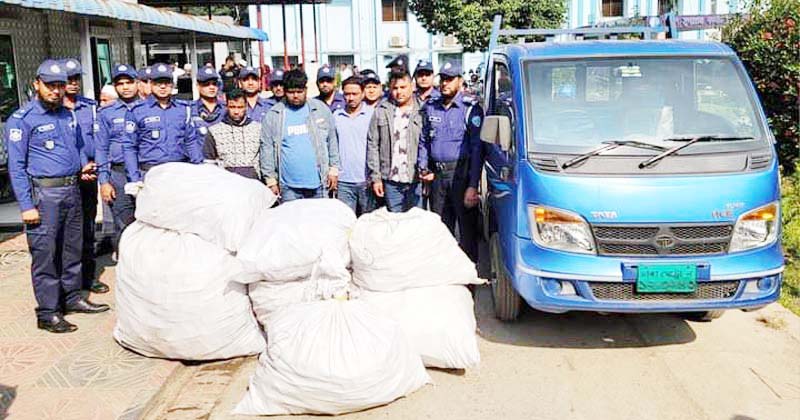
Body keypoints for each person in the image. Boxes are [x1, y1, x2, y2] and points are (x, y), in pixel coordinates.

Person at [4, 60, 109, 333]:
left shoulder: (66, 114)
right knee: (46, 255)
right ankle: (48, 311)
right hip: (45, 194)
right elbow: (16, 167)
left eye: (60, 85)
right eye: (50, 85)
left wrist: (82, 164)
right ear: (36, 84)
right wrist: (26, 205)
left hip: (72, 190)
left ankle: (73, 298)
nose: (55, 90)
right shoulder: (22, 119)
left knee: (72, 248)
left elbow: (74, 148)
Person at [418, 61, 483, 263]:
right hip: (437, 176)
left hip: (461, 174)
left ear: (459, 81)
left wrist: (473, 186)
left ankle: (469, 272)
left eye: (450, 79)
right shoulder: (431, 107)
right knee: (440, 226)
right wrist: (423, 167)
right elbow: (424, 140)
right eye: (443, 79)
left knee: (466, 229)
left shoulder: (469, 108)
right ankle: (444, 269)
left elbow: (477, 149)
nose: (445, 83)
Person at [61, 58, 108, 295]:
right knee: (68, 233)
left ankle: (88, 278)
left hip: (89, 176)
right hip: (65, 179)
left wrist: (96, 166)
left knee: (88, 229)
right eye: (69, 79)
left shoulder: (90, 107)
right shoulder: (54, 109)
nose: (73, 84)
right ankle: (69, 283)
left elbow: (99, 141)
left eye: (76, 79)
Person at [259, 69, 339, 201]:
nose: (296, 96)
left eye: (299, 92)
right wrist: (271, 180)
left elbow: (332, 140)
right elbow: (266, 148)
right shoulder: (274, 115)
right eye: (291, 92)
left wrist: (334, 169)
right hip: (288, 187)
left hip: (319, 183)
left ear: (306, 90)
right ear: (285, 91)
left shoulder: (320, 109)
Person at [123, 63, 203, 188]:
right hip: (150, 173)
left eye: (166, 82)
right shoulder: (137, 111)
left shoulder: (183, 109)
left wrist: (199, 168)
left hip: (179, 172)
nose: (163, 86)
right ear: (150, 83)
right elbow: (129, 147)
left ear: (172, 84)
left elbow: (191, 141)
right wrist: (134, 179)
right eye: (158, 82)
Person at [96, 64, 139, 255]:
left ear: (137, 83)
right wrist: (104, 181)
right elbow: (101, 148)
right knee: (122, 224)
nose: (125, 87)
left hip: (144, 172)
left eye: (129, 82)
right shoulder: (107, 113)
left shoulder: (148, 108)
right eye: (120, 83)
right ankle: (126, 268)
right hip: (118, 174)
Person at [367, 70, 424, 212]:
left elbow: (428, 144)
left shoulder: (423, 110)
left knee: (416, 224)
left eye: (403, 87)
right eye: (395, 88)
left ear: (412, 86)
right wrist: (376, 178)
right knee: (394, 223)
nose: (399, 92)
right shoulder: (381, 110)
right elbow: (373, 144)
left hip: (415, 180)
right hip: (391, 181)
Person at [334, 76, 375, 215]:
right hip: (343, 181)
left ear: (363, 93)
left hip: (366, 180)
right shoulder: (336, 116)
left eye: (354, 94)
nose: (350, 98)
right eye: (346, 94)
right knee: (345, 221)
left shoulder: (372, 115)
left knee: (368, 224)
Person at [203, 89, 262, 180]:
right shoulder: (214, 131)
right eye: (232, 107)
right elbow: (209, 162)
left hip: (254, 183)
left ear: (246, 106)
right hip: (226, 184)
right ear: (226, 106)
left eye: (240, 107)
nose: (236, 111)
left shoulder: (258, 129)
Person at [192, 65, 226, 140]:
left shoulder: (226, 109)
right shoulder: (190, 110)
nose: (211, 87)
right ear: (198, 86)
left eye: (214, 83)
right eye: (206, 84)